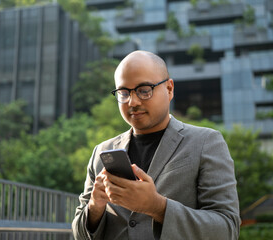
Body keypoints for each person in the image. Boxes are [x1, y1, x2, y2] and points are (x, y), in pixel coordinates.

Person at [72, 50, 240, 240]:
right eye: (124, 93)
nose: (132, 102)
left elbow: (227, 229)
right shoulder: (102, 152)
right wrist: (95, 205)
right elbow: (79, 234)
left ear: (169, 89)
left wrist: (157, 207)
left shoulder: (206, 142)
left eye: (144, 90)